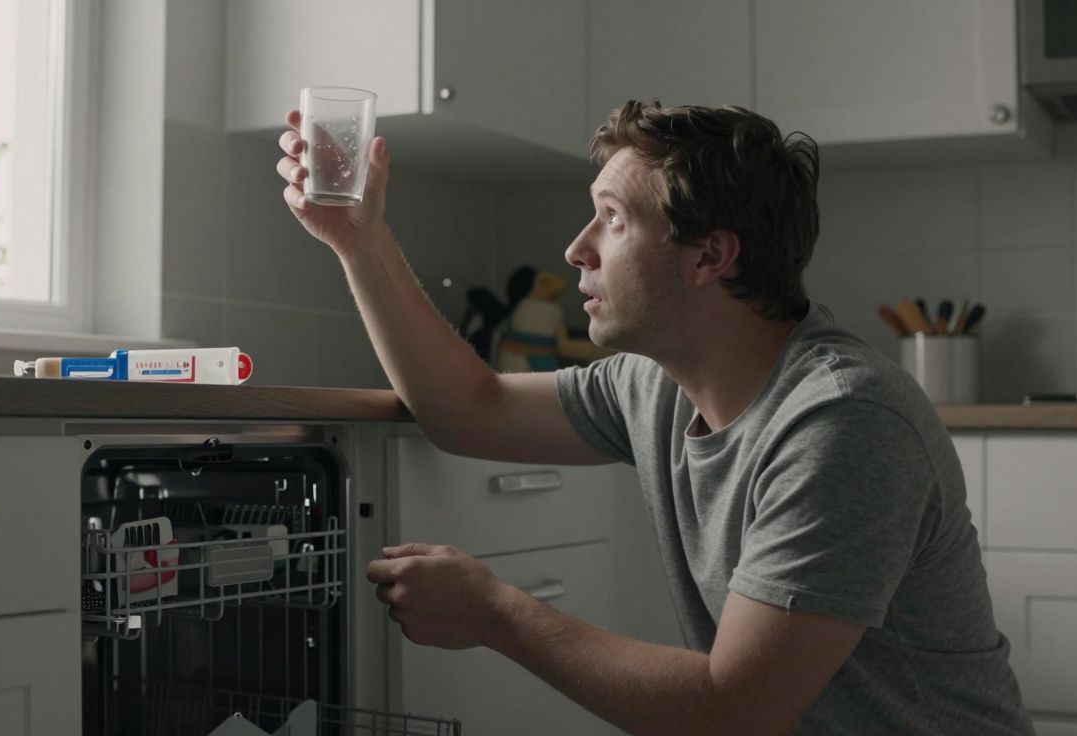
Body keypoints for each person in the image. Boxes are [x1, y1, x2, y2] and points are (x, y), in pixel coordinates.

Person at [274, 99, 1034, 734]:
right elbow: (470, 409)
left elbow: (735, 711)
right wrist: (359, 242)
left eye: (611, 219)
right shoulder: (656, 387)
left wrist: (499, 614)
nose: (577, 250)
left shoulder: (841, 419)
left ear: (710, 258)